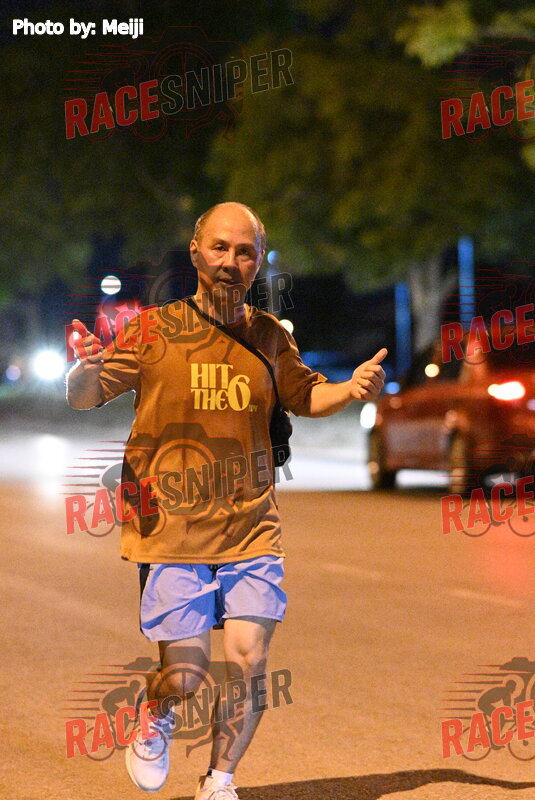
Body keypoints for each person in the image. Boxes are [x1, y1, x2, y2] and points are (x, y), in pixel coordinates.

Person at [67, 201, 386, 799]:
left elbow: (306, 395)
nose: (230, 262)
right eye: (219, 247)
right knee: (185, 676)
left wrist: (350, 389)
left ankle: (219, 782)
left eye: (244, 252)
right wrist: (84, 368)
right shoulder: (154, 330)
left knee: (248, 661)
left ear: (258, 261)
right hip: (172, 530)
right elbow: (86, 397)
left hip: (251, 527)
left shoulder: (269, 336)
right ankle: (155, 714)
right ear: (196, 251)